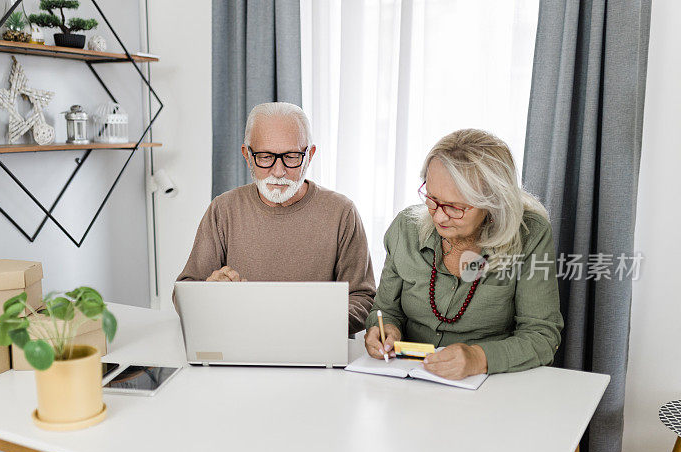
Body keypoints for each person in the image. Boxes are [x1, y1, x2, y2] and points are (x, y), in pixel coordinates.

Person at [365, 129, 563, 379]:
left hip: (490, 385)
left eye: (455, 208)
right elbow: (385, 311)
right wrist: (384, 330)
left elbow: (542, 337)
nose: (437, 216)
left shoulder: (530, 235)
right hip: (408, 377)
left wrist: (479, 359)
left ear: (494, 202)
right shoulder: (406, 228)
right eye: (432, 199)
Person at [177, 102, 375, 334]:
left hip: (316, 347)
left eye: (291, 157)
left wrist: (318, 324)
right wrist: (208, 293)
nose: (278, 171)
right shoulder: (223, 209)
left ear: (310, 155)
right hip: (238, 344)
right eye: (265, 157)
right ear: (247, 155)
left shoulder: (342, 212)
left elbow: (363, 298)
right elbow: (184, 293)